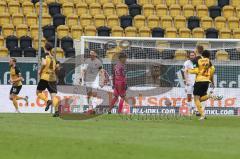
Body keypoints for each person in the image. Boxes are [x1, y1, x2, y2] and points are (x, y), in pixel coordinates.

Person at [187, 50, 222, 120]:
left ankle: (202, 114)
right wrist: (212, 82)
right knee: (200, 99)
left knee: (196, 98)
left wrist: (188, 70)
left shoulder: (197, 60)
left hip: (199, 81)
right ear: (208, 56)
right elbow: (212, 71)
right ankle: (209, 97)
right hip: (206, 82)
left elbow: (196, 70)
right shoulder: (209, 62)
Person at [36, 42, 60, 117]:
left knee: (38, 92)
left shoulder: (44, 55)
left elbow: (43, 63)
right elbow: (58, 66)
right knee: (53, 95)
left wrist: (40, 70)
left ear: (45, 48)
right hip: (52, 77)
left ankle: (47, 101)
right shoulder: (53, 57)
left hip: (45, 76)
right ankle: (56, 111)